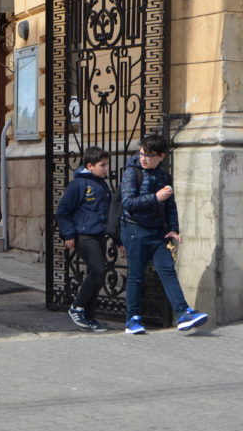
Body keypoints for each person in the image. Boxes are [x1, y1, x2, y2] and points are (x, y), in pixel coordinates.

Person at [119, 133, 209, 335]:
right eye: (142, 153)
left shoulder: (164, 176)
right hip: (134, 229)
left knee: (167, 270)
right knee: (136, 275)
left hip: (158, 233)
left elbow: (170, 205)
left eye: (149, 155)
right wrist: (155, 197)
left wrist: (173, 229)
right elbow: (128, 203)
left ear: (161, 156)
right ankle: (132, 320)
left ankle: (183, 313)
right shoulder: (131, 173)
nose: (143, 158)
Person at [55, 145, 116, 333]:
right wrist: (68, 234)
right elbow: (63, 211)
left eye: (107, 165)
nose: (106, 169)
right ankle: (77, 307)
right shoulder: (78, 185)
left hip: (98, 235)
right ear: (90, 166)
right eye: (103, 165)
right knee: (97, 270)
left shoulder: (102, 185)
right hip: (84, 235)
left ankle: (89, 317)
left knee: (98, 275)